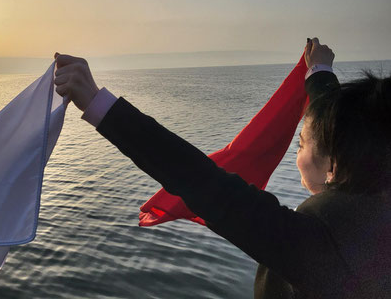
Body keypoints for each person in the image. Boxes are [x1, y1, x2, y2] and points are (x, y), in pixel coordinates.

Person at [53, 38, 391, 298]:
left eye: (301, 144)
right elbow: (337, 129)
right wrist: (319, 72)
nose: (296, 152)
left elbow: (202, 181)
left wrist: (97, 103)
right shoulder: (375, 206)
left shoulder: (322, 247)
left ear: (333, 163)